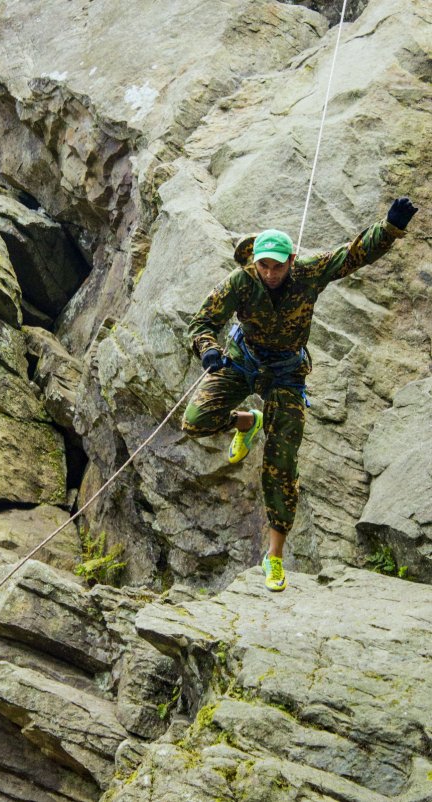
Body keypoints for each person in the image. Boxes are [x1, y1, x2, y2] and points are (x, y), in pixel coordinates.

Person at [182, 198, 418, 591]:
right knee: (195, 421)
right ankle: (247, 420)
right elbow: (203, 321)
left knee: (282, 463)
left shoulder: (309, 273)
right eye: (264, 265)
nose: (271, 273)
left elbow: (353, 254)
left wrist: (391, 227)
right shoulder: (241, 282)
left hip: (286, 375)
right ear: (254, 263)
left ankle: (273, 558)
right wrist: (207, 348)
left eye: (277, 265)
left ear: (292, 259)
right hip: (243, 361)